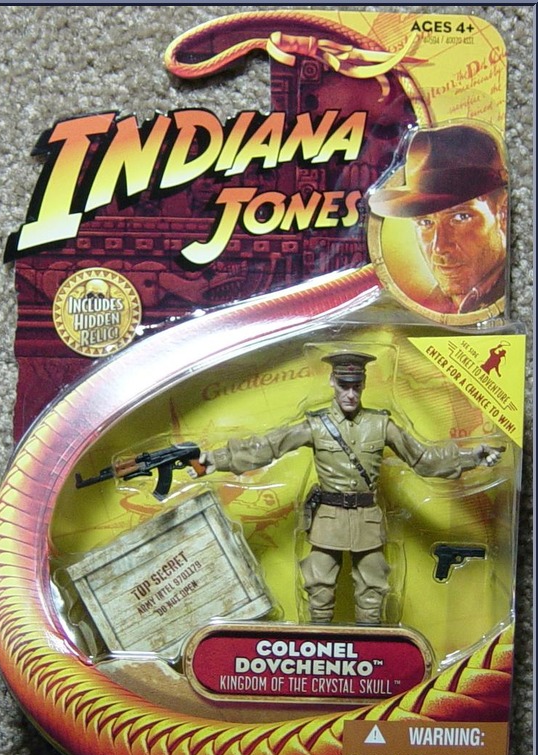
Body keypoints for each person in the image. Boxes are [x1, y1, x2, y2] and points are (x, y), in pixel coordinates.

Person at [199, 351, 503, 625]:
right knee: (318, 586)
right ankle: (317, 643)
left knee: (373, 587)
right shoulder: (316, 425)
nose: (350, 394)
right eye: (344, 386)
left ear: (364, 384)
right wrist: (215, 459)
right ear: (333, 382)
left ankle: (370, 646)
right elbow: (268, 446)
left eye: (356, 386)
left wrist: (472, 457)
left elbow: (423, 459)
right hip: (328, 518)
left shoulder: (380, 424)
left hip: (366, 518)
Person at [368, 124, 508, 315]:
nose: (440, 247)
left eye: (460, 217)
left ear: (503, 214)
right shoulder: (426, 306)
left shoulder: (519, 292)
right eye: (425, 223)